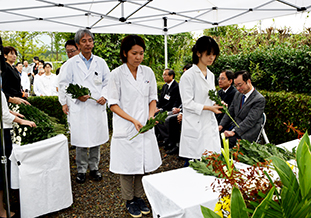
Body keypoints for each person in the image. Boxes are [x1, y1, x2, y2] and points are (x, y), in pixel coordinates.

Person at [107, 35, 161, 218]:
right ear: (125, 53)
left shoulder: (148, 73)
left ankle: (139, 197)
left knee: (143, 164)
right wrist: (133, 120)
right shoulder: (116, 74)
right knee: (127, 166)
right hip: (127, 126)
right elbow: (113, 104)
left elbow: (153, 98)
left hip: (144, 125)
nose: (138, 57)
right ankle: (129, 199)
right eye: (134, 53)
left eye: (141, 53)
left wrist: (150, 117)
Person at [58, 29, 110, 184]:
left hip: (96, 105)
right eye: (84, 41)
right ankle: (81, 169)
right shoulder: (71, 63)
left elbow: (108, 82)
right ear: (78, 44)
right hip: (79, 107)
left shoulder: (100, 62)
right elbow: (63, 84)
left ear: (93, 42)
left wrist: (105, 96)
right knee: (80, 140)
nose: (88, 44)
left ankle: (94, 167)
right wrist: (70, 100)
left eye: (90, 40)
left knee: (96, 139)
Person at [179, 36, 223, 167]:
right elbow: (187, 103)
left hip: (209, 125)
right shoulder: (188, 76)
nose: (212, 57)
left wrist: (218, 105)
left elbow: (211, 97)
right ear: (198, 53)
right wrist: (210, 108)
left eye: (214, 54)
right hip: (195, 126)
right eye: (208, 53)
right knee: (194, 167)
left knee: (211, 165)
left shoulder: (211, 75)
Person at [1, 90, 36, 218]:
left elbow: (3, 109)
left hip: (4, 127)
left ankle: (4, 204)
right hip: (2, 130)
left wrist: (12, 113)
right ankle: (2, 211)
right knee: (1, 172)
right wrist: (20, 121)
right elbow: (2, 114)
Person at [219, 70, 266, 148]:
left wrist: (234, 132)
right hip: (233, 128)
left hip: (246, 134)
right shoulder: (238, 94)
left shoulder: (259, 99)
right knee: (213, 136)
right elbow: (230, 112)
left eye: (240, 85)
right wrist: (221, 125)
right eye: (236, 85)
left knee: (224, 141)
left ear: (248, 81)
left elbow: (250, 121)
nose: (238, 88)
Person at [155, 69, 181, 146]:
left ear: (171, 76)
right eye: (163, 75)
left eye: (165, 75)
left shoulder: (176, 86)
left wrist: (161, 109)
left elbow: (173, 102)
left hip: (171, 109)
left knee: (160, 118)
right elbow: (161, 99)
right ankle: (162, 138)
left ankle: (168, 139)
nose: (163, 77)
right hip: (164, 108)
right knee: (153, 116)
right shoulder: (165, 86)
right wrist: (157, 107)